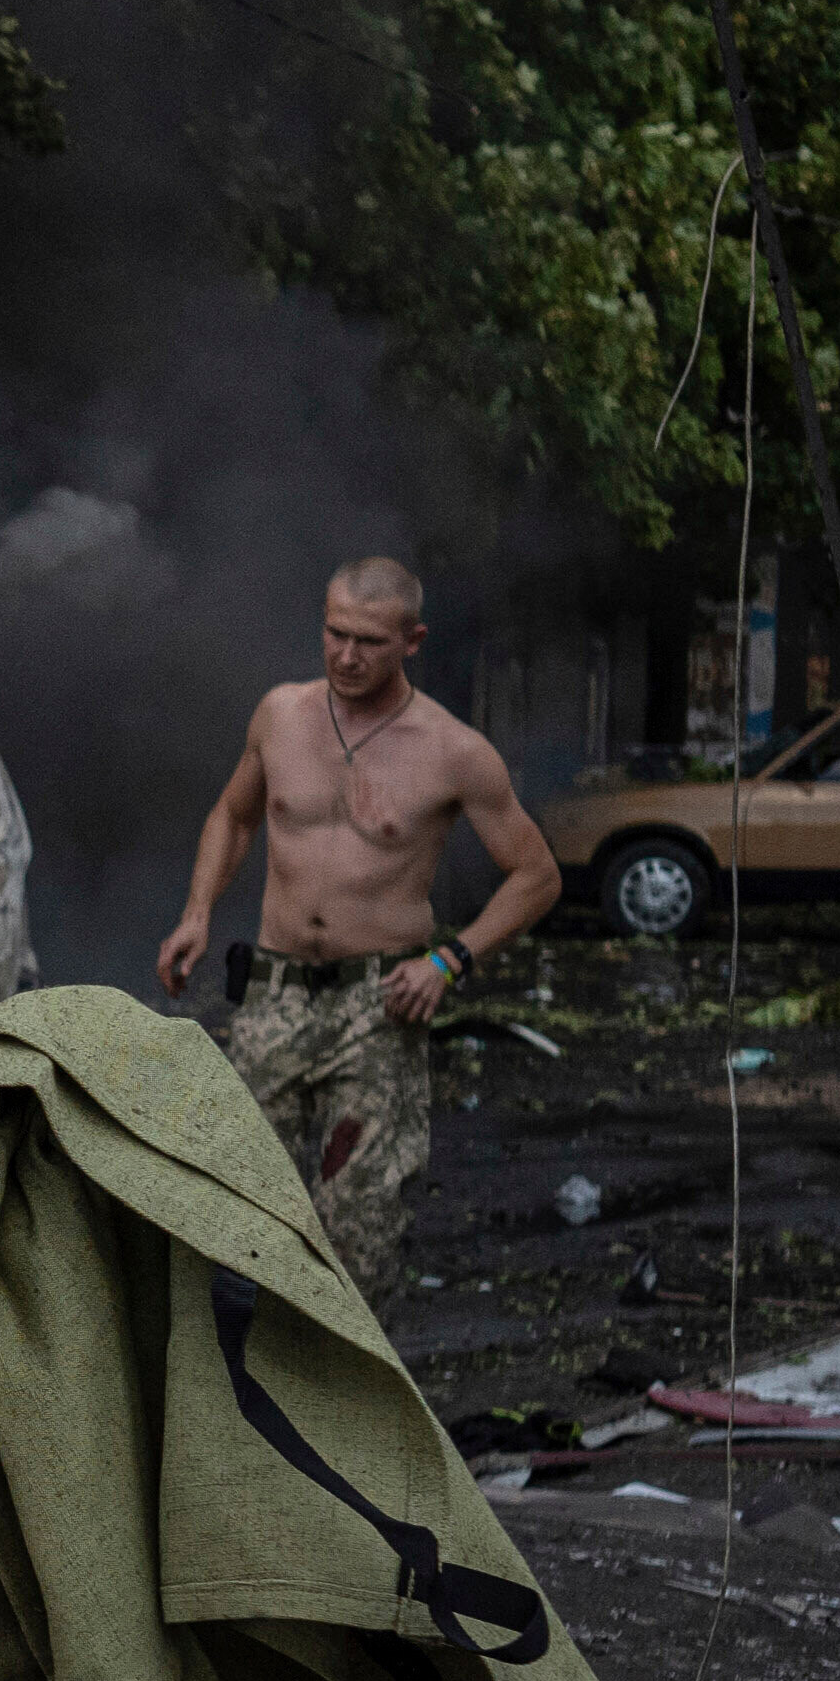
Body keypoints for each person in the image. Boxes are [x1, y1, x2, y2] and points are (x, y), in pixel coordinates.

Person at [145, 555, 560, 1312]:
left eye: (368, 641)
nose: (345, 655)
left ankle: (343, 1412)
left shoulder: (454, 751)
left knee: (358, 1229)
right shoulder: (281, 714)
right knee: (236, 1205)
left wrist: (449, 959)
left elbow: (537, 875)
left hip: (380, 1009)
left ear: (413, 640)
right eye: (335, 634)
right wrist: (198, 912)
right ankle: (236, 1398)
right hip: (272, 996)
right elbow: (234, 816)